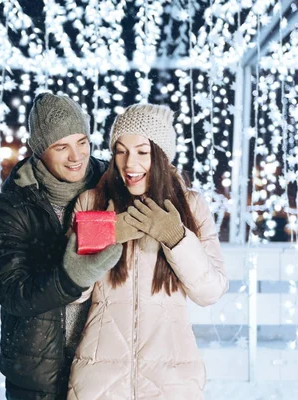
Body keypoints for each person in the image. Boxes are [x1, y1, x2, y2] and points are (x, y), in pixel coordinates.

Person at [68, 104, 229, 400]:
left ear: (161, 155)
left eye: (143, 151)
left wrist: (177, 238)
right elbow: (72, 291)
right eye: (121, 150)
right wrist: (108, 234)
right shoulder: (91, 202)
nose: (130, 163)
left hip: (171, 382)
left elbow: (210, 292)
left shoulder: (191, 206)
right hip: (99, 382)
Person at [0, 92, 123, 399]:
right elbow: (12, 292)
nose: (76, 156)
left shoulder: (113, 185)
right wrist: (70, 278)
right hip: (39, 372)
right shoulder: (12, 206)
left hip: (106, 364)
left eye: (82, 142)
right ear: (38, 151)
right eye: (62, 146)